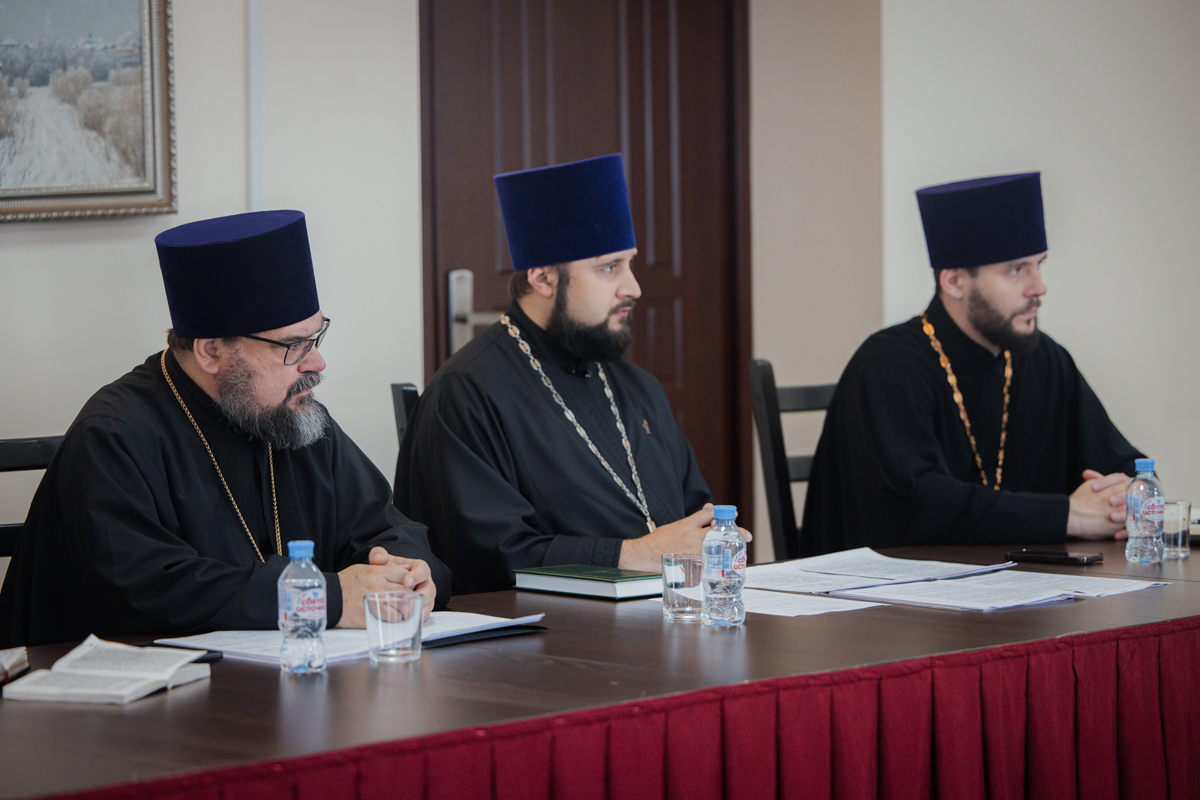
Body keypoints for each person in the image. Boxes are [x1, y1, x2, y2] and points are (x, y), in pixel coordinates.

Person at [0, 210, 450, 647]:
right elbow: (144, 591)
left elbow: (384, 526)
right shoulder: (113, 436)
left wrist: (409, 572)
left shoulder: (295, 418)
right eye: (293, 346)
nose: (317, 362)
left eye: (315, 337)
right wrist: (323, 599)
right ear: (211, 351)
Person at [395, 154, 736, 594]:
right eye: (609, 267)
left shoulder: (639, 388)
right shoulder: (465, 394)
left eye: (629, 264)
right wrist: (631, 554)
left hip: (670, 612)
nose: (633, 287)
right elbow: (484, 558)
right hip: (552, 630)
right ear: (543, 278)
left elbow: (696, 519)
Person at [802, 172, 1143, 555]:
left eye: (1039, 265)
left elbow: (1124, 463)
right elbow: (918, 506)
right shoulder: (887, 366)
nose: (1039, 287)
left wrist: (1130, 494)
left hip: (1027, 584)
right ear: (954, 282)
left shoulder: (1043, 359)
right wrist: (1069, 515)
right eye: (1016, 270)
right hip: (898, 588)